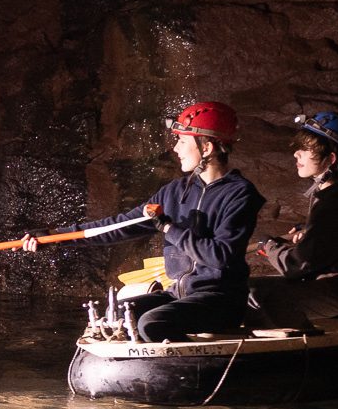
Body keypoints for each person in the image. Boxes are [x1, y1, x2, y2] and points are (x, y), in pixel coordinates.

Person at [24, 99, 265, 340]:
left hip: (219, 300)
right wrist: (54, 237)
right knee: (116, 314)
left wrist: (169, 227)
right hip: (179, 295)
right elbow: (118, 226)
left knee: (151, 323)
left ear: (207, 148)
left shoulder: (240, 194)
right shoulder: (173, 191)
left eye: (182, 141)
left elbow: (220, 256)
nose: (176, 149)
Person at [249, 110, 338, 328]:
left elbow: (296, 266)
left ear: (331, 159)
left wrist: (269, 246)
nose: (296, 154)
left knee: (251, 293)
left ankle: (298, 347)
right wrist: (312, 231)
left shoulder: (335, 201)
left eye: (305, 149)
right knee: (247, 288)